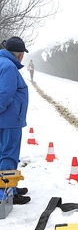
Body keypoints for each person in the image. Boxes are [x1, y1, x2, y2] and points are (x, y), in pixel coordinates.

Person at [0, 37, 31, 205]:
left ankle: (9, 186)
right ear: (19, 55)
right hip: (9, 120)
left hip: (6, 119)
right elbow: (5, 93)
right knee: (9, 154)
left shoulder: (2, 62)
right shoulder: (9, 67)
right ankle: (5, 192)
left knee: (3, 153)